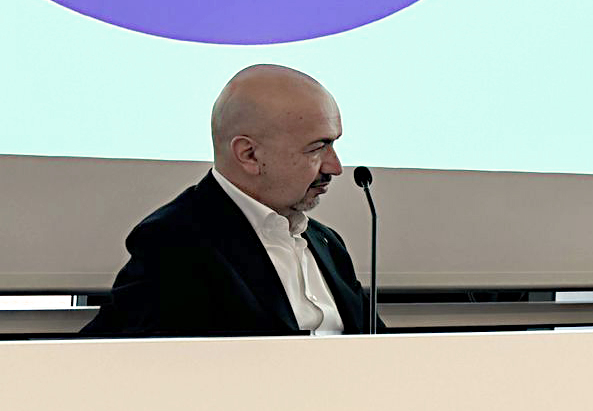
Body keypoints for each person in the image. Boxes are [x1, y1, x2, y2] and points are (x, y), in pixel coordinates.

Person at [82, 64, 376, 337]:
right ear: (249, 155)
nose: (335, 167)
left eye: (334, 144)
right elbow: (108, 358)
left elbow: (379, 347)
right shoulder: (173, 242)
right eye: (317, 148)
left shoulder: (327, 243)